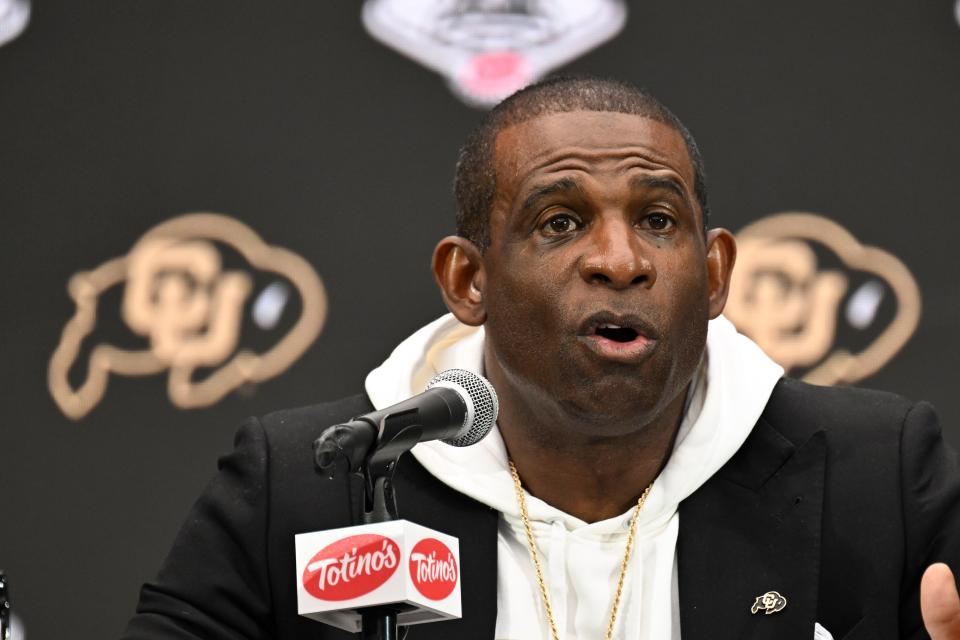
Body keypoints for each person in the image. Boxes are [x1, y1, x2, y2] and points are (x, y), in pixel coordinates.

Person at [121, 76, 960, 640]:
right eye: (560, 222)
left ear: (714, 276)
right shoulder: (313, 480)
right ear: (469, 280)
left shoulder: (872, 476)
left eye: (660, 221)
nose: (620, 260)